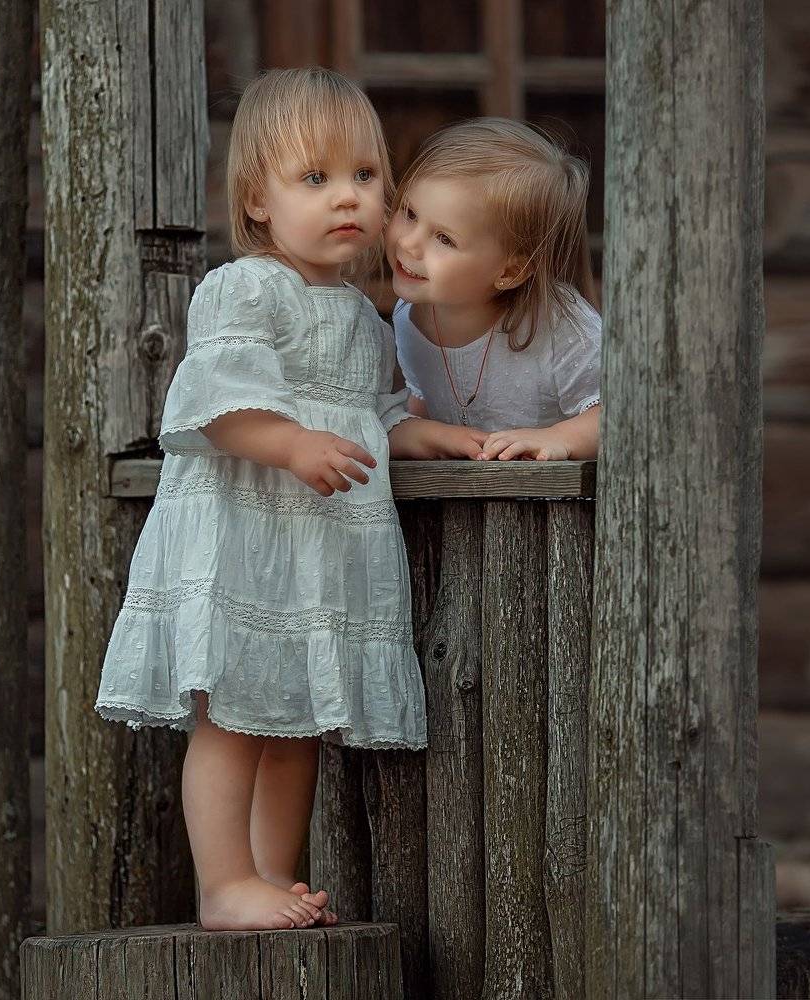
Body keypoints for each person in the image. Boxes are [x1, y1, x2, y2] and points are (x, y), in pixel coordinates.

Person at [94, 67, 483, 932]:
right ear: (258, 201)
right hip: (244, 537)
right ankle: (224, 881)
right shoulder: (245, 288)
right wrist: (289, 442)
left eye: (365, 176)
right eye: (315, 179)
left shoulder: (360, 315)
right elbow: (218, 407)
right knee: (231, 719)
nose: (347, 197)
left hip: (315, 554)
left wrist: (428, 435)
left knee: (298, 724)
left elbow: (373, 417)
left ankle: (273, 873)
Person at [386, 118, 603, 461]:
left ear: (510, 271)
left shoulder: (560, 324)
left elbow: (619, 412)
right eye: (410, 213)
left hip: (558, 506)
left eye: (444, 238)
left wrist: (558, 438)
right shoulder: (409, 315)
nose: (408, 243)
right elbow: (426, 399)